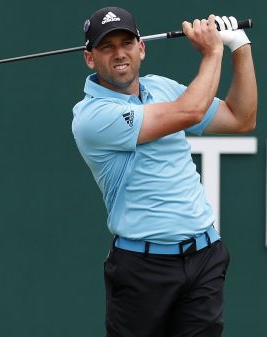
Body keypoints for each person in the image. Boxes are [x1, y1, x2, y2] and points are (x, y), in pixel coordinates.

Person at [71, 7, 257, 337]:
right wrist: (212, 50)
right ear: (90, 58)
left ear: (141, 48)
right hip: (142, 270)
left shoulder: (163, 88)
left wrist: (239, 47)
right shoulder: (91, 116)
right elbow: (190, 111)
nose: (119, 54)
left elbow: (241, 117)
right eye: (107, 46)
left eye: (126, 43)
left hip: (204, 259)